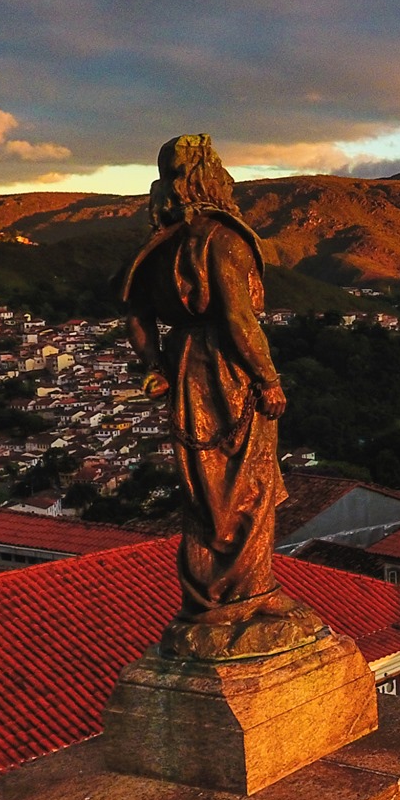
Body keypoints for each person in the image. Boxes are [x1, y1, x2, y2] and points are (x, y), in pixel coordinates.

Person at [122, 134, 321, 660]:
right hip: (228, 372)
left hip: (186, 371)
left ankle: (208, 595)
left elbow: (137, 319)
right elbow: (237, 317)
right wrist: (269, 379)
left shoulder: (158, 246)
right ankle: (249, 596)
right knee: (247, 485)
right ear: (209, 176)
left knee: (204, 493)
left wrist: (157, 367)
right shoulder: (222, 239)